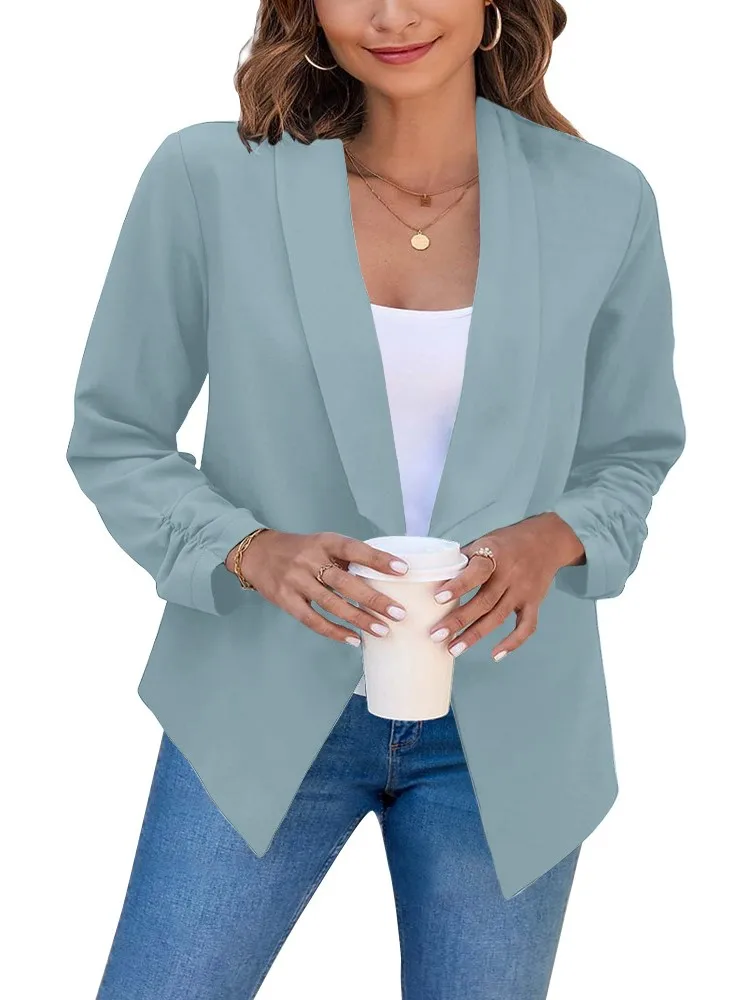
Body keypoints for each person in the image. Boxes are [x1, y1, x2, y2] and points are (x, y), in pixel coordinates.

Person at [66, 2, 686, 997]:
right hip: (256, 703)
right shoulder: (210, 178)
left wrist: (554, 536)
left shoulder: (603, 200)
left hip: (511, 725)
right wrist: (246, 547)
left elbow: (634, 448)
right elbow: (117, 431)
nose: (391, 15)